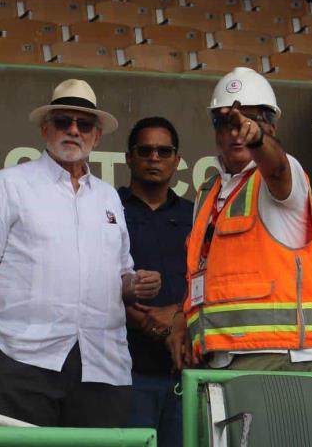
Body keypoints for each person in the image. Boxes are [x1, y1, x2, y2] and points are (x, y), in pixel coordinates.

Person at [0, 79, 161, 427]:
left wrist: (137, 285)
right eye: (63, 122)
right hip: (21, 359)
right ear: (45, 129)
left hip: (103, 364)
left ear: (96, 136)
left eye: (84, 124)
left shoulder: (108, 198)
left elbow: (120, 278)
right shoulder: (8, 184)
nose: (73, 130)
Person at [166, 67, 312, 372]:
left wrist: (256, 139)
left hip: (282, 357)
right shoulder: (208, 191)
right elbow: (206, 274)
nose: (238, 131)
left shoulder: (282, 178)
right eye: (228, 123)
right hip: (222, 357)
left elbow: (277, 166)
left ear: (273, 127)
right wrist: (182, 320)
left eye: (253, 121)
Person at [119, 117, 192, 447]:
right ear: (129, 157)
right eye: (145, 150)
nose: (154, 158)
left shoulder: (196, 214)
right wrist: (155, 325)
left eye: (164, 151)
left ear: (177, 160)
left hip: (187, 371)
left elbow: (215, 281)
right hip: (126, 372)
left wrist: (178, 317)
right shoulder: (107, 209)